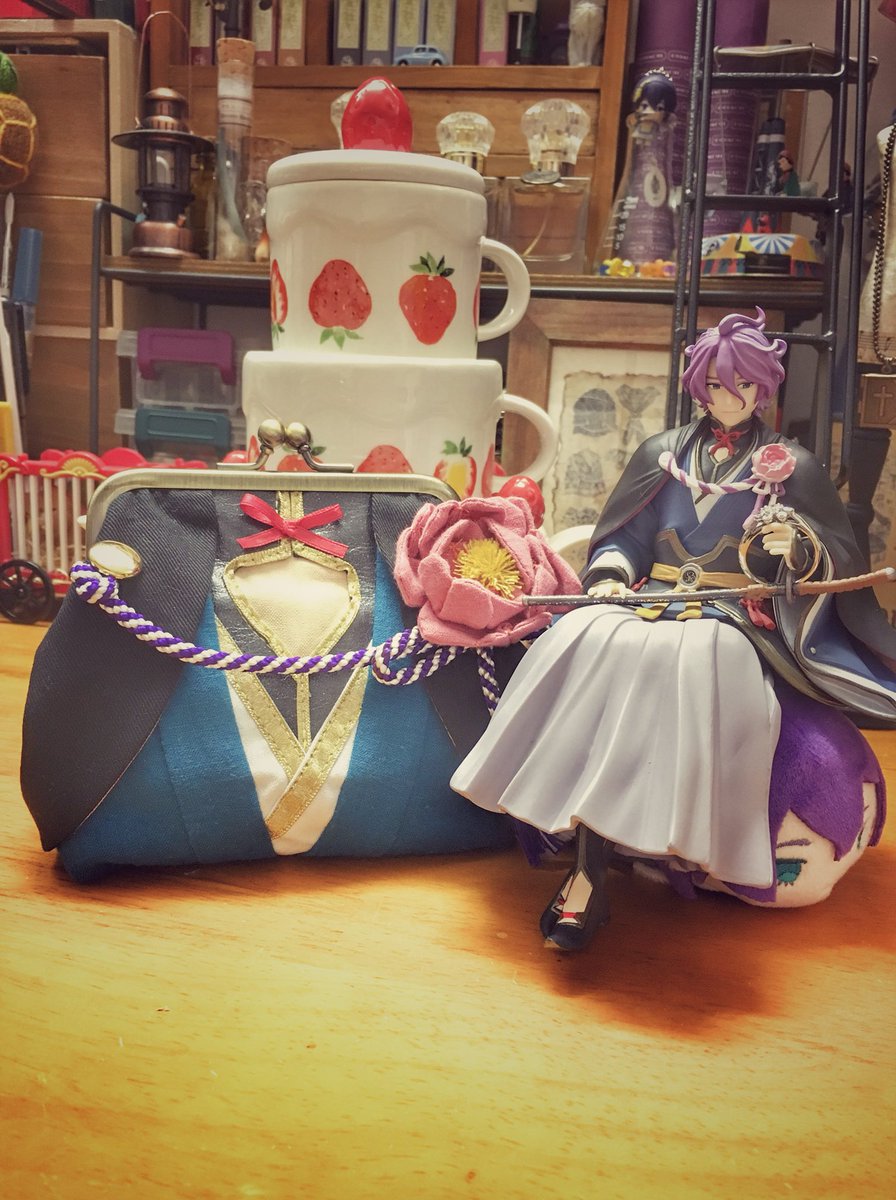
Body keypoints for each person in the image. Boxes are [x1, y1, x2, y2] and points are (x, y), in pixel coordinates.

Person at [451, 310, 894, 951]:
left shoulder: (790, 465)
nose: (727, 398)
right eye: (714, 385)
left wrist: (793, 549)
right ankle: (581, 860)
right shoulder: (663, 454)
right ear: (697, 385)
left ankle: (663, 847)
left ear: (764, 387)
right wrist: (610, 574)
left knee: (691, 661)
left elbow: (835, 554)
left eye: (742, 385)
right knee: (582, 635)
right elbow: (625, 536)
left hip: (731, 616)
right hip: (648, 598)